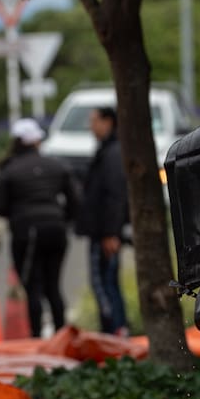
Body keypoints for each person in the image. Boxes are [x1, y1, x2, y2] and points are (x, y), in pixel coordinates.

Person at [0, 117, 78, 337]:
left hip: (26, 233)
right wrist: (62, 219)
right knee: (53, 286)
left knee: (33, 288)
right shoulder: (56, 166)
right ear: (36, 142)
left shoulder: (9, 170)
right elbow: (76, 200)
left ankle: (37, 336)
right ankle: (62, 335)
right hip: (56, 231)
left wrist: (19, 214)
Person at [76, 106, 129, 335]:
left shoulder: (112, 153)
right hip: (102, 230)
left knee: (104, 284)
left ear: (108, 122)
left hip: (105, 232)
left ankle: (115, 331)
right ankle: (116, 330)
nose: (91, 126)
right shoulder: (106, 151)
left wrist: (111, 232)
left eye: (94, 120)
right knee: (107, 283)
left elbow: (114, 194)